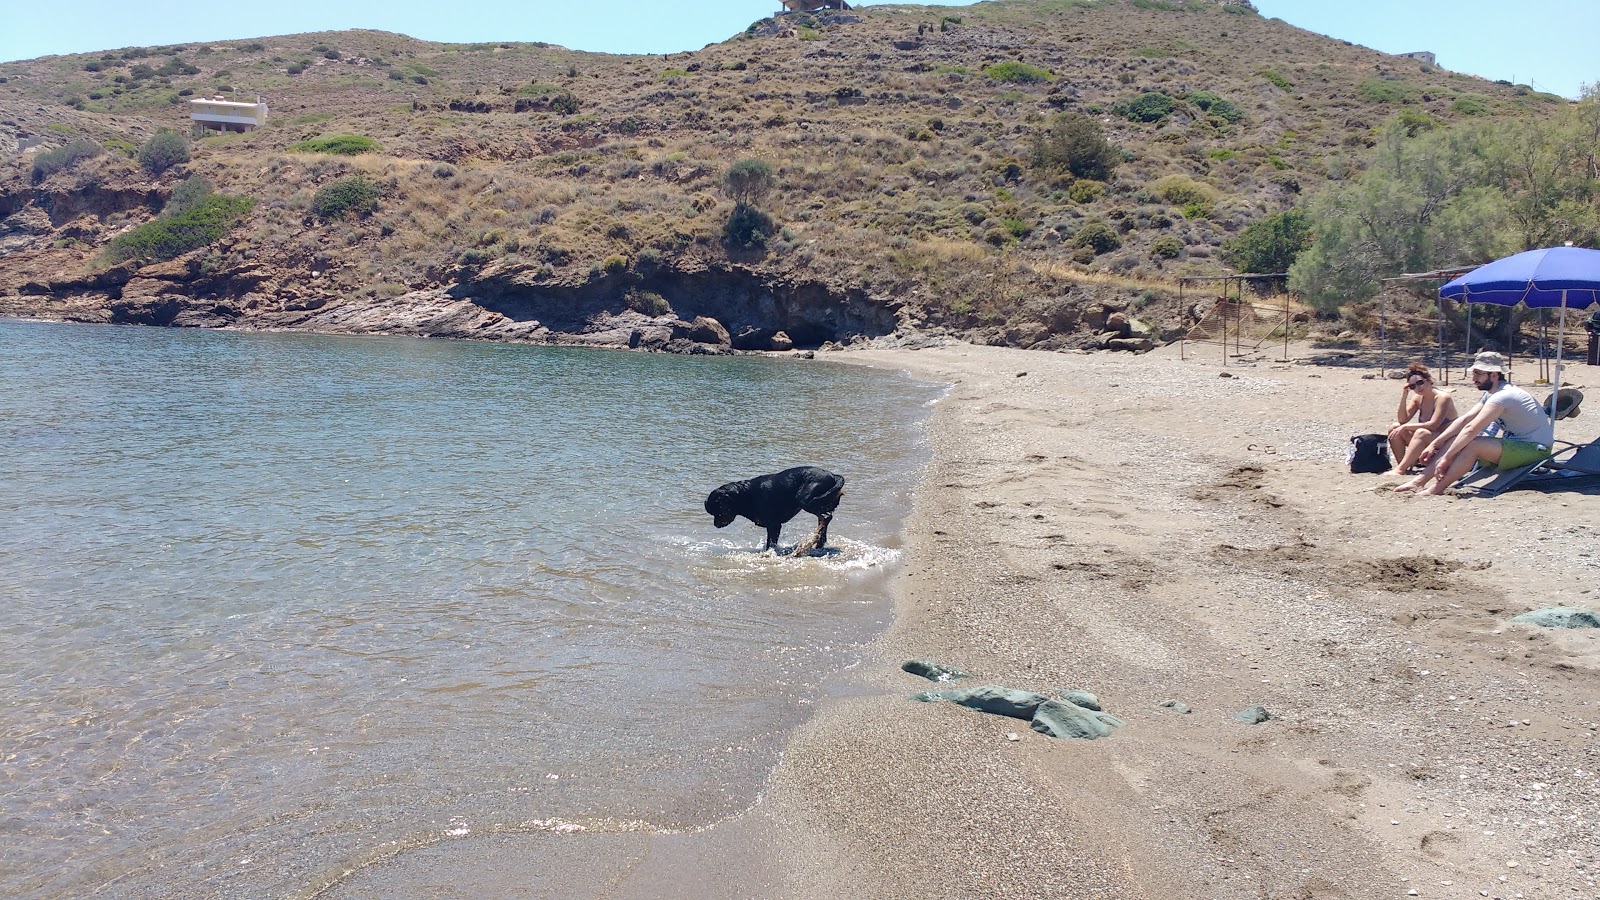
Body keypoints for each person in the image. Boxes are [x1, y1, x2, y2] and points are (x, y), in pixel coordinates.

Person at [1394, 351, 1553, 495]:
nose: (1474, 378)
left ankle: (1437, 488)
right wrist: (1435, 444)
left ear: (1494, 375)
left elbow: (1471, 429)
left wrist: (1446, 458)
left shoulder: (1504, 396)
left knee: (1472, 444)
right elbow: (1464, 420)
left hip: (1536, 449)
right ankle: (1418, 482)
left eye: (1478, 374)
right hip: (1515, 444)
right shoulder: (1492, 393)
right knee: (1455, 440)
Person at [1387, 364, 1457, 474]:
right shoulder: (1418, 398)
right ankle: (1404, 466)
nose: (1418, 388)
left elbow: (1434, 425)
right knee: (1394, 428)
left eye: (1420, 383)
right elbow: (1402, 420)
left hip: (1445, 442)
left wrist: (1406, 427)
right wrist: (1404, 396)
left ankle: (1400, 469)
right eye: (1413, 386)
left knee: (1421, 433)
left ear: (1428, 380)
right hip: (1429, 442)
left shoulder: (1443, 397)